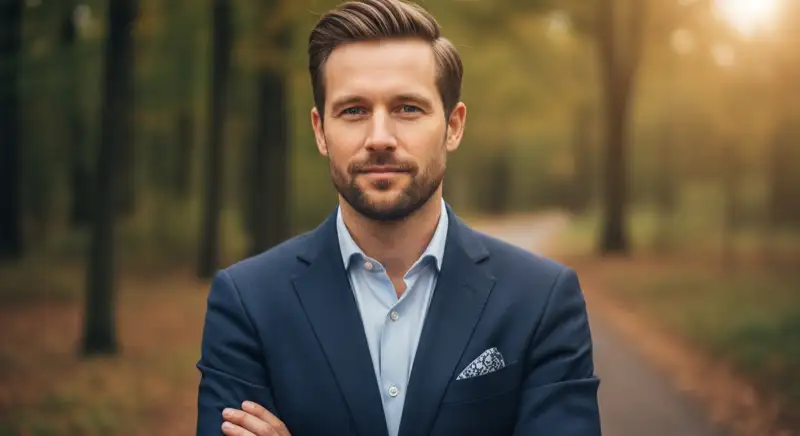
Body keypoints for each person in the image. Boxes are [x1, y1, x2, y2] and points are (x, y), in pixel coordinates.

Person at [195, 0, 601, 434]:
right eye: (354, 110)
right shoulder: (248, 303)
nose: (380, 138)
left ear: (453, 125)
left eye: (408, 108)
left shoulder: (541, 301)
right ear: (319, 130)